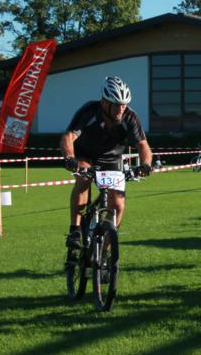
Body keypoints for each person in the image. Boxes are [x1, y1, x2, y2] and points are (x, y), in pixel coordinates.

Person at [61, 76, 152, 256]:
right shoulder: (89, 111)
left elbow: (143, 145)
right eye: (117, 105)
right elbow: (68, 137)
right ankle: (75, 230)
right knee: (83, 180)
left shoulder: (130, 117)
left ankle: (103, 255)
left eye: (124, 105)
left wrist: (146, 165)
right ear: (104, 102)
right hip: (85, 156)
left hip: (111, 161)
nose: (121, 109)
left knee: (118, 205)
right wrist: (69, 158)